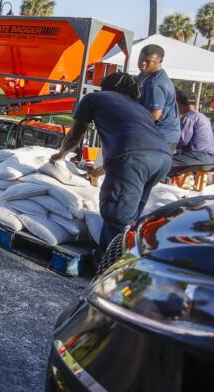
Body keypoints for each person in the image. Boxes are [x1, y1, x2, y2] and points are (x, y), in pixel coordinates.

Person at [50, 72, 172, 255]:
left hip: (134, 158)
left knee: (117, 215)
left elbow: (75, 135)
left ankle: (106, 264)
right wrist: (99, 171)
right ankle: (128, 258)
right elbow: (131, 143)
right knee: (132, 216)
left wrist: (60, 155)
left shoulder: (93, 98)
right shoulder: (138, 108)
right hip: (163, 158)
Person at [136, 44, 181, 151]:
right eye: (141, 59)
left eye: (148, 61)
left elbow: (154, 115)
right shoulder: (144, 75)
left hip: (163, 136)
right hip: (155, 133)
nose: (143, 63)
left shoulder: (155, 83)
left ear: (160, 61)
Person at [169, 89, 214, 173]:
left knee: (162, 163)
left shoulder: (188, 117)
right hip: (209, 157)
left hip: (195, 156)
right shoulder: (202, 116)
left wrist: (166, 144)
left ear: (179, 104)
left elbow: (182, 141)